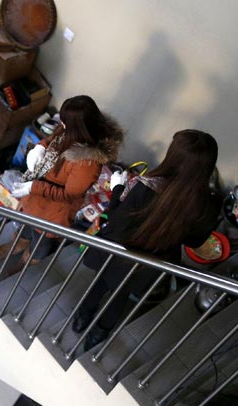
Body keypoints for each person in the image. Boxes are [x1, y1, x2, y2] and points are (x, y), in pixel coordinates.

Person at [73, 129, 221, 352]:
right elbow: (194, 240)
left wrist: (117, 189)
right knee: (121, 295)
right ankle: (98, 333)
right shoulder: (208, 204)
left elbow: (114, 221)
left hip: (118, 253)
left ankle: (83, 316)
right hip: (151, 264)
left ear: (174, 156)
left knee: (101, 283)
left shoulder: (146, 187)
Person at [0, 95, 123, 269]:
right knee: (25, 227)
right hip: (35, 201)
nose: (61, 124)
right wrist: (41, 147)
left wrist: (33, 187)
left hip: (53, 212)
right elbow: (54, 138)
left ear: (78, 128)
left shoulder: (87, 163)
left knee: (41, 243)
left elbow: (69, 195)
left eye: (65, 122)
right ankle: (17, 245)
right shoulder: (69, 131)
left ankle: (25, 262)